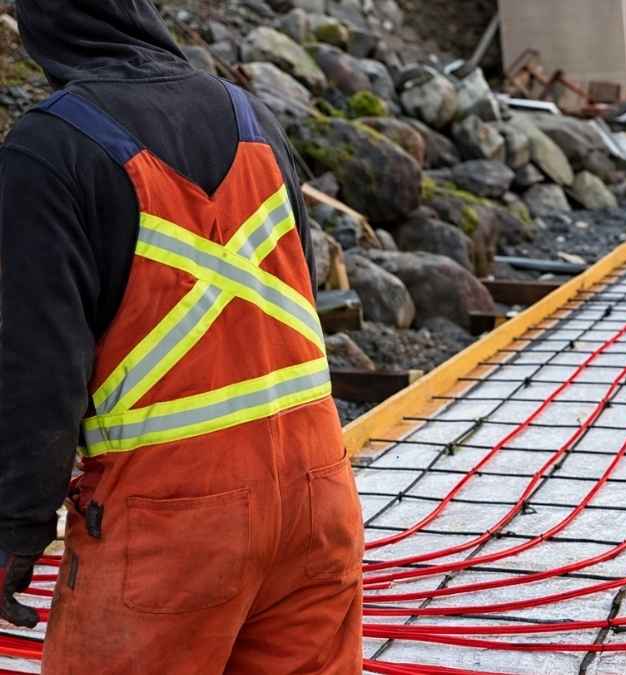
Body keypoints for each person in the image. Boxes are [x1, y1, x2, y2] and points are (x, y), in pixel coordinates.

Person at [0, 1, 364, 672]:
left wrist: (17, 526)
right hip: (320, 494)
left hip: (170, 524)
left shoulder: (49, 149)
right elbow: (297, 294)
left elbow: (37, 368)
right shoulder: (251, 116)